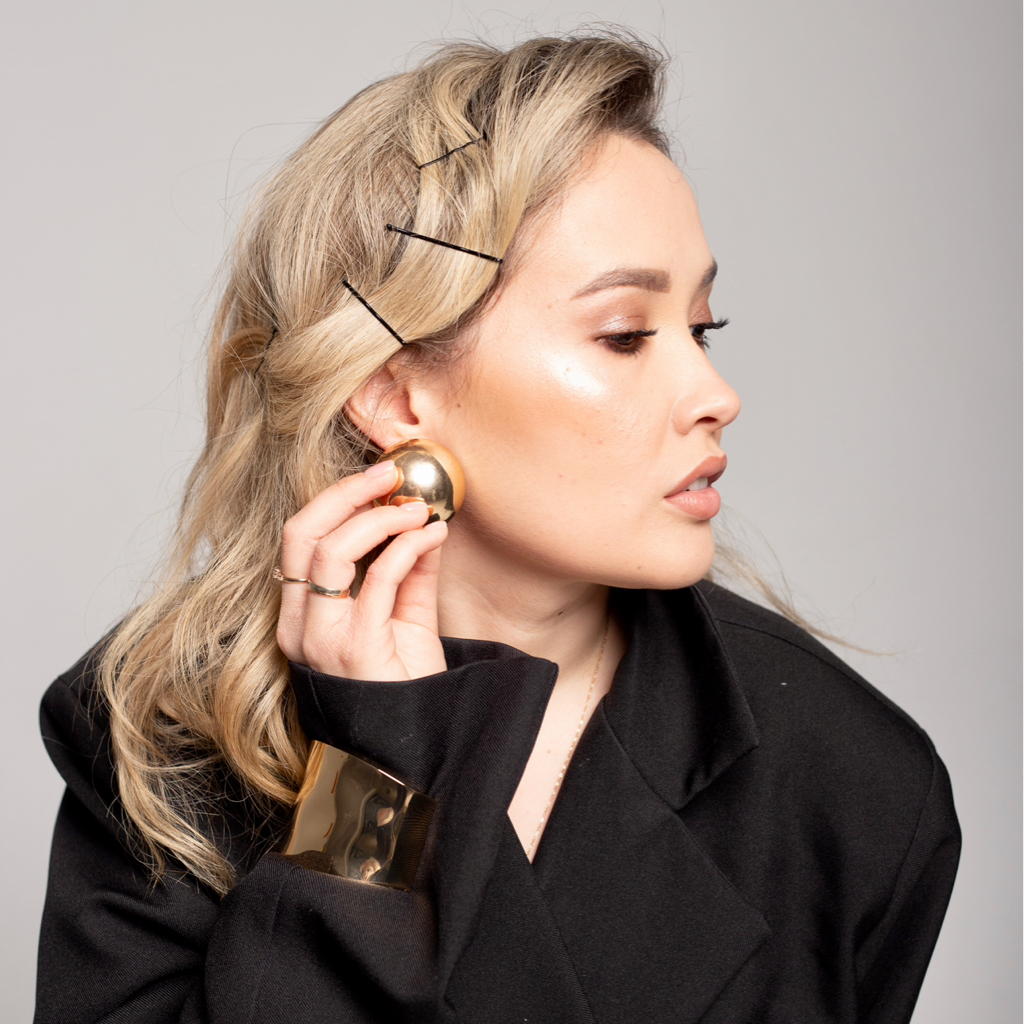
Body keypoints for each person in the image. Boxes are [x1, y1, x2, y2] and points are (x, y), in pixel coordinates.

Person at [35, 31, 960, 1024]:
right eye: (624, 335)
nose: (716, 394)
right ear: (394, 395)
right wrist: (372, 781)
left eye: (703, 328)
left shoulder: (852, 783)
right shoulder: (168, 729)